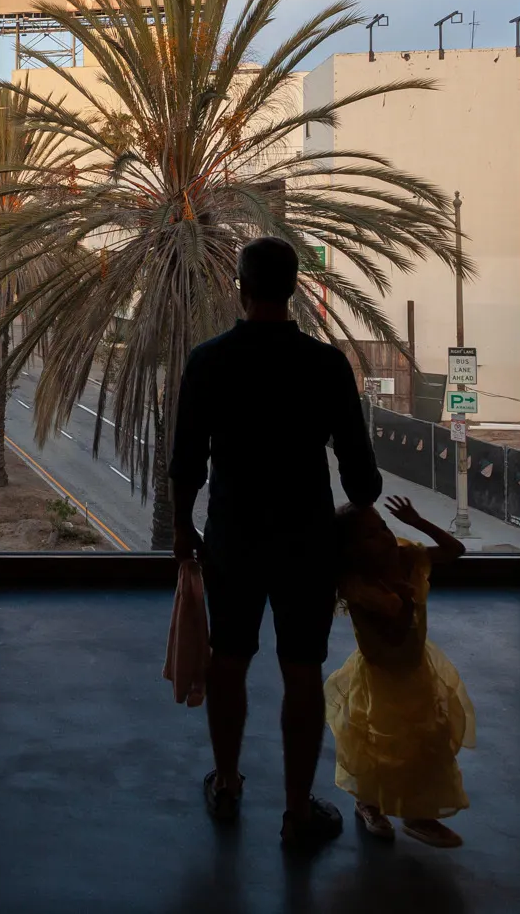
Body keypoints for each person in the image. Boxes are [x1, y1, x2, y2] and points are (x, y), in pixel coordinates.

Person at [170, 235, 382, 850]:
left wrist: (185, 528)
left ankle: (229, 783)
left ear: (241, 287)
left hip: (233, 537)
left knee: (229, 660)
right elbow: (362, 480)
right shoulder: (327, 366)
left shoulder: (209, 361)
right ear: (293, 289)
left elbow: (187, 461)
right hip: (306, 542)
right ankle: (296, 812)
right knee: (302, 670)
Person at [327, 496, 476, 846]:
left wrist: (418, 520)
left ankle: (419, 814)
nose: (383, 536)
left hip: (416, 669)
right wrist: (405, 602)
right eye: (370, 535)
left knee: (427, 742)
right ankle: (369, 803)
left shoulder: (407, 557)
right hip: (382, 676)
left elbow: (454, 549)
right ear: (352, 550)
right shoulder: (361, 587)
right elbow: (393, 637)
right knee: (379, 744)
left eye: (382, 527)